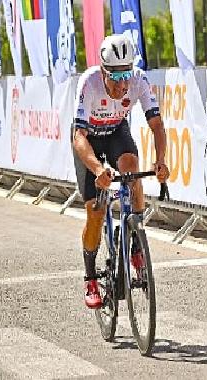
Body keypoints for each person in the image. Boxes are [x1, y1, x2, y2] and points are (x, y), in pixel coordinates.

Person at [71, 34, 169, 309]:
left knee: (132, 172)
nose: (123, 84)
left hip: (115, 133)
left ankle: (136, 244)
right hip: (89, 139)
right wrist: (99, 169)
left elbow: (157, 126)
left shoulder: (139, 79)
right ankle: (90, 277)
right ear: (103, 71)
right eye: (116, 77)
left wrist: (160, 161)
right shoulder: (89, 83)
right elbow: (78, 136)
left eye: (127, 75)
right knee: (95, 211)